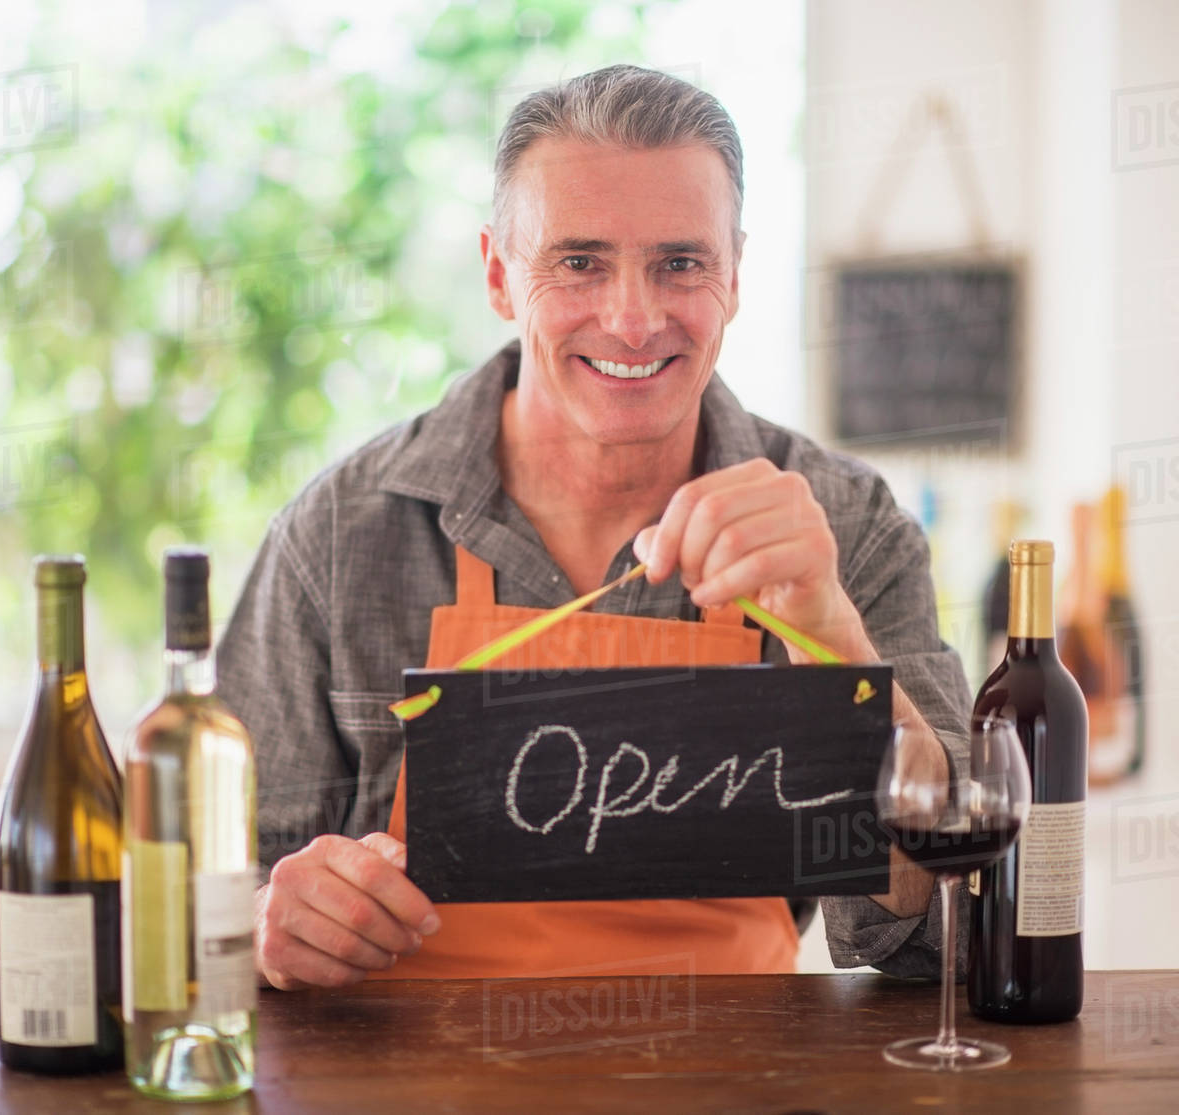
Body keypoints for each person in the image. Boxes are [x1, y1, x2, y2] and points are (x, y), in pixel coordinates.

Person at [218, 65, 972, 991]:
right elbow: (190, 893)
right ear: (499, 274)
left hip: (731, 1079)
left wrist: (839, 649)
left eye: (680, 263)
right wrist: (265, 921)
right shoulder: (337, 536)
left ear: (734, 276)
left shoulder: (849, 528)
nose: (632, 317)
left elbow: (945, 926)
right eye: (578, 262)